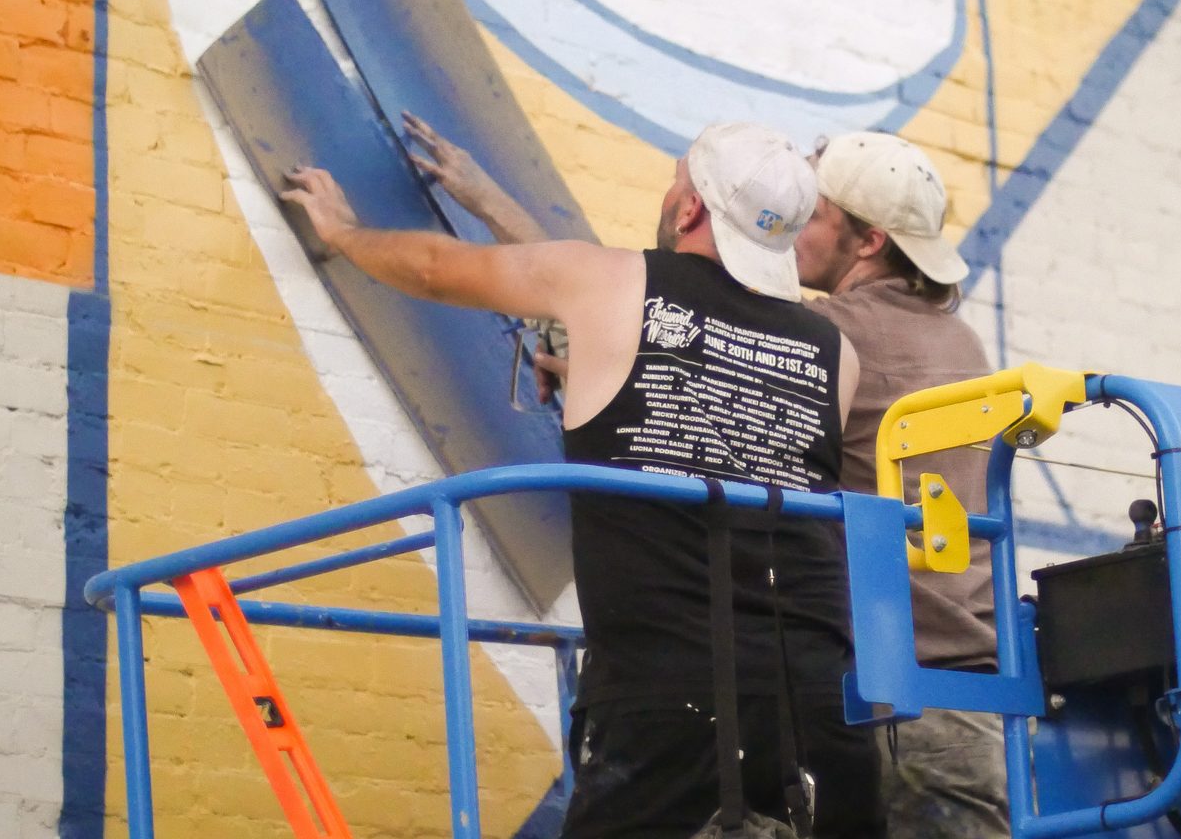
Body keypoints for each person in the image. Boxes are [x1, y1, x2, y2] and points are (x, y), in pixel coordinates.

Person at [283, 120, 885, 838]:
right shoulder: (835, 351)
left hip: (672, 699)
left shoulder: (612, 282)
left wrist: (345, 230)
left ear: (689, 208)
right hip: (823, 706)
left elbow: (435, 268)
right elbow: (733, 427)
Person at [793, 132, 1009, 839]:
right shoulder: (961, 342)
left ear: (868, 240)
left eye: (815, 210)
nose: (798, 222)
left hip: (885, 693)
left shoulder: (831, 333)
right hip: (968, 690)